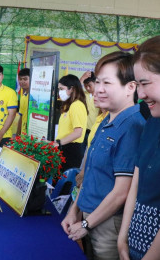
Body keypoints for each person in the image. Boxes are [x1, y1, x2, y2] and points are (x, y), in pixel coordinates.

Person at [61, 51, 146, 260]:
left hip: (107, 226)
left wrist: (87, 224)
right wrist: (74, 211)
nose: (98, 90)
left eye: (107, 83)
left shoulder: (132, 126)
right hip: (87, 218)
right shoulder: (107, 120)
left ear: (131, 87)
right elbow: (89, 175)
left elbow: (121, 192)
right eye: (97, 82)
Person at [118, 36, 160, 260]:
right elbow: (137, 181)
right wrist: (122, 239)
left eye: (145, 83)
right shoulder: (152, 123)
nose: (140, 95)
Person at [53, 74, 88, 171]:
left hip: (71, 150)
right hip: (64, 147)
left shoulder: (77, 105)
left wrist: (58, 143)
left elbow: (78, 132)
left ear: (71, 89)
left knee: (65, 184)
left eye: (62, 89)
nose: (60, 92)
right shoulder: (68, 105)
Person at [79, 71, 99, 154]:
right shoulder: (84, 95)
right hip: (84, 131)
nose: (87, 88)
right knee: (81, 155)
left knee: (92, 154)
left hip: (95, 131)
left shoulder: (100, 96)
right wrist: (82, 78)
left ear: (96, 83)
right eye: (85, 86)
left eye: (89, 85)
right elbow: (75, 90)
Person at [16, 68, 32, 135]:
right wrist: (17, 134)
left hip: (33, 134)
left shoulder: (34, 98)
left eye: (25, 79)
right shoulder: (23, 97)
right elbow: (21, 116)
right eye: (21, 79)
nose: (22, 82)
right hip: (23, 135)